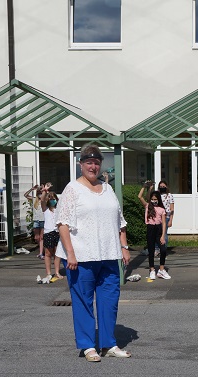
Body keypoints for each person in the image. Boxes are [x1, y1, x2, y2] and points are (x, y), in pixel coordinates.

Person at [55, 144, 132, 362]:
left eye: (96, 162)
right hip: (82, 257)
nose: (93, 166)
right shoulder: (72, 189)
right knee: (83, 301)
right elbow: (62, 224)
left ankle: (108, 344)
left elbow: (119, 221)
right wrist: (70, 253)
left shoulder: (107, 189)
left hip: (108, 254)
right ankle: (88, 346)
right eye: (88, 162)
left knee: (109, 300)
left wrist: (124, 247)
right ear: (81, 165)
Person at [138, 181, 171, 280]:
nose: (153, 201)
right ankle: (152, 270)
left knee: (163, 249)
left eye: (155, 199)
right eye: (152, 199)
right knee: (151, 251)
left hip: (159, 229)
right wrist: (144, 186)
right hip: (150, 229)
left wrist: (162, 235)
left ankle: (161, 270)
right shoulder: (148, 206)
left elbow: (164, 223)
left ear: (158, 199)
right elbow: (140, 197)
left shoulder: (161, 209)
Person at [39, 190, 63, 284]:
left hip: (57, 232)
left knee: (57, 253)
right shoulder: (45, 209)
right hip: (48, 232)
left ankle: (57, 272)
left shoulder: (59, 209)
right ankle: (48, 273)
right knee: (48, 254)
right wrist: (44, 191)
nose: (52, 199)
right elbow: (41, 200)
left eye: (53, 198)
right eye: (50, 197)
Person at [24, 184, 47, 258]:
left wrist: (44, 190)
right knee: (36, 237)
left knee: (41, 237)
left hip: (43, 220)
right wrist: (32, 189)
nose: (40, 194)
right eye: (39, 192)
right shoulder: (34, 199)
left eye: (41, 192)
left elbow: (50, 196)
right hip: (36, 220)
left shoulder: (45, 200)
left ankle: (41, 253)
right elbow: (25, 195)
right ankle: (42, 250)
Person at [158, 179, 175, 249]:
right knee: (157, 233)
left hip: (166, 217)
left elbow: (172, 209)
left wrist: (171, 220)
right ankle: (158, 248)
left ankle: (164, 248)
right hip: (157, 217)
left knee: (164, 233)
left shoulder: (170, 196)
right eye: (160, 186)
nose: (162, 188)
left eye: (163, 186)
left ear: (166, 187)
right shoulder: (157, 195)